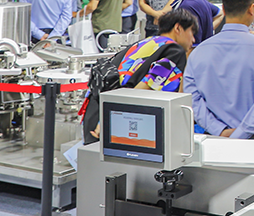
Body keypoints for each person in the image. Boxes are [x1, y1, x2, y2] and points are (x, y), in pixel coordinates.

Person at [184, 0, 254, 139]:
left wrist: (219, 130)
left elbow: (192, 98)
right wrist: (240, 133)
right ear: (252, 9)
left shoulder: (198, 52)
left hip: (214, 138)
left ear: (223, 9)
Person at [82, 9, 198, 143]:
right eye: (192, 32)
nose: (193, 39)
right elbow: (143, 89)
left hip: (95, 110)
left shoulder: (145, 43)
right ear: (178, 28)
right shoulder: (174, 51)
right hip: (115, 121)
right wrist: (108, 121)